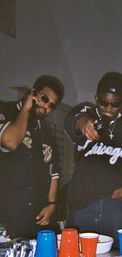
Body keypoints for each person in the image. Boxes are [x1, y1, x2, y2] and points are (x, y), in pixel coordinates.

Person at [64, 71, 122, 247]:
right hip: (82, 204)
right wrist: (82, 123)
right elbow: (73, 119)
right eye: (104, 102)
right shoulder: (86, 114)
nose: (108, 109)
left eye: (115, 104)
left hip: (115, 206)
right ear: (97, 97)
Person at [0, 75, 64, 238]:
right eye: (44, 98)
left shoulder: (47, 134)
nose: (45, 106)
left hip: (36, 218)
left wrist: (51, 205)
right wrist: (25, 109)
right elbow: (10, 141)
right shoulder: (6, 111)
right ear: (33, 92)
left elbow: (54, 174)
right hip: (6, 214)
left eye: (51, 105)